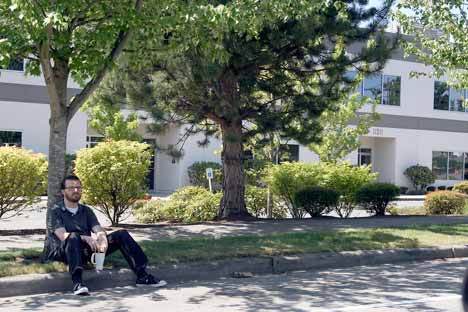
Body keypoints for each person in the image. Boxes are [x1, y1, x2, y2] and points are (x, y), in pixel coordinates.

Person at [43, 175, 166, 295]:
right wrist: (85, 237)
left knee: (121, 234)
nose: (76, 190)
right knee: (73, 236)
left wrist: (102, 239)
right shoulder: (55, 211)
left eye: (79, 187)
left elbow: (98, 229)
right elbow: (62, 235)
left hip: (84, 251)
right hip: (63, 252)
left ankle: (142, 276)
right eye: (71, 188)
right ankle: (77, 283)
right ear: (63, 191)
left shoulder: (86, 210)